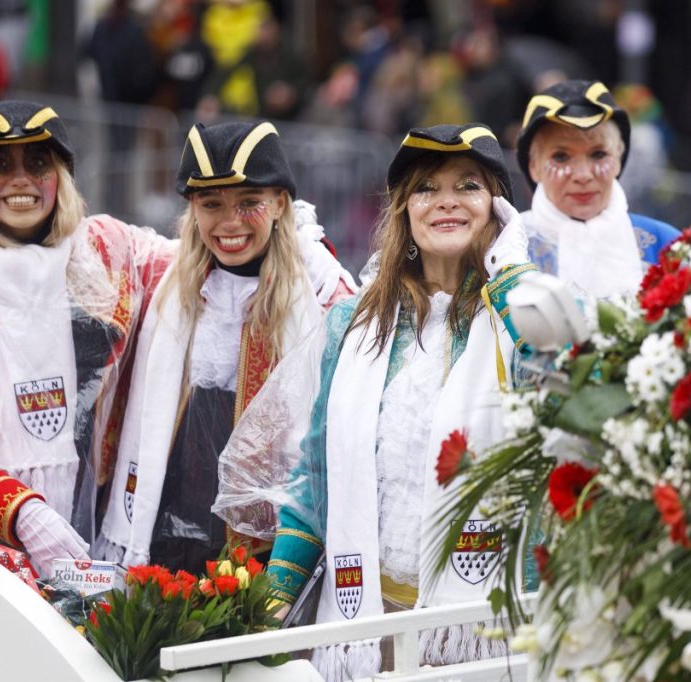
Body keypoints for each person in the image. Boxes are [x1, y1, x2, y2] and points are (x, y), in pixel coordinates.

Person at [214, 123, 534, 680]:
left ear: (498, 210)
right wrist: (266, 612)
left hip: (485, 632)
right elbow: (315, 485)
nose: (447, 203)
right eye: (427, 188)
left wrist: (509, 275)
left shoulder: (526, 311)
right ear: (404, 210)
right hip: (364, 626)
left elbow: (572, 379)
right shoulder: (351, 325)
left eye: (468, 187)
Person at [0, 100, 173, 576]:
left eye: (38, 163)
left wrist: (298, 246)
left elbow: (197, 270)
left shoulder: (106, 255)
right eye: (0, 165)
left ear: (61, 178)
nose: (20, 179)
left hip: (97, 551)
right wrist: (21, 511)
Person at [96, 120, 355, 574]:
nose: (230, 222)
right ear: (193, 208)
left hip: (270, 546)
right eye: (211, 204)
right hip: (170, 528)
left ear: (280, 204)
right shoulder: (170, 280)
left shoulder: (324, 293)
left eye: (249, 203)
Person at [516, 79, 680, 299]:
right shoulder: (506, 250)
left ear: (619, 159)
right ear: (533, 166)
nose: (583, 175)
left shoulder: (666, 245)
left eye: (598, 154)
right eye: (561, 157)